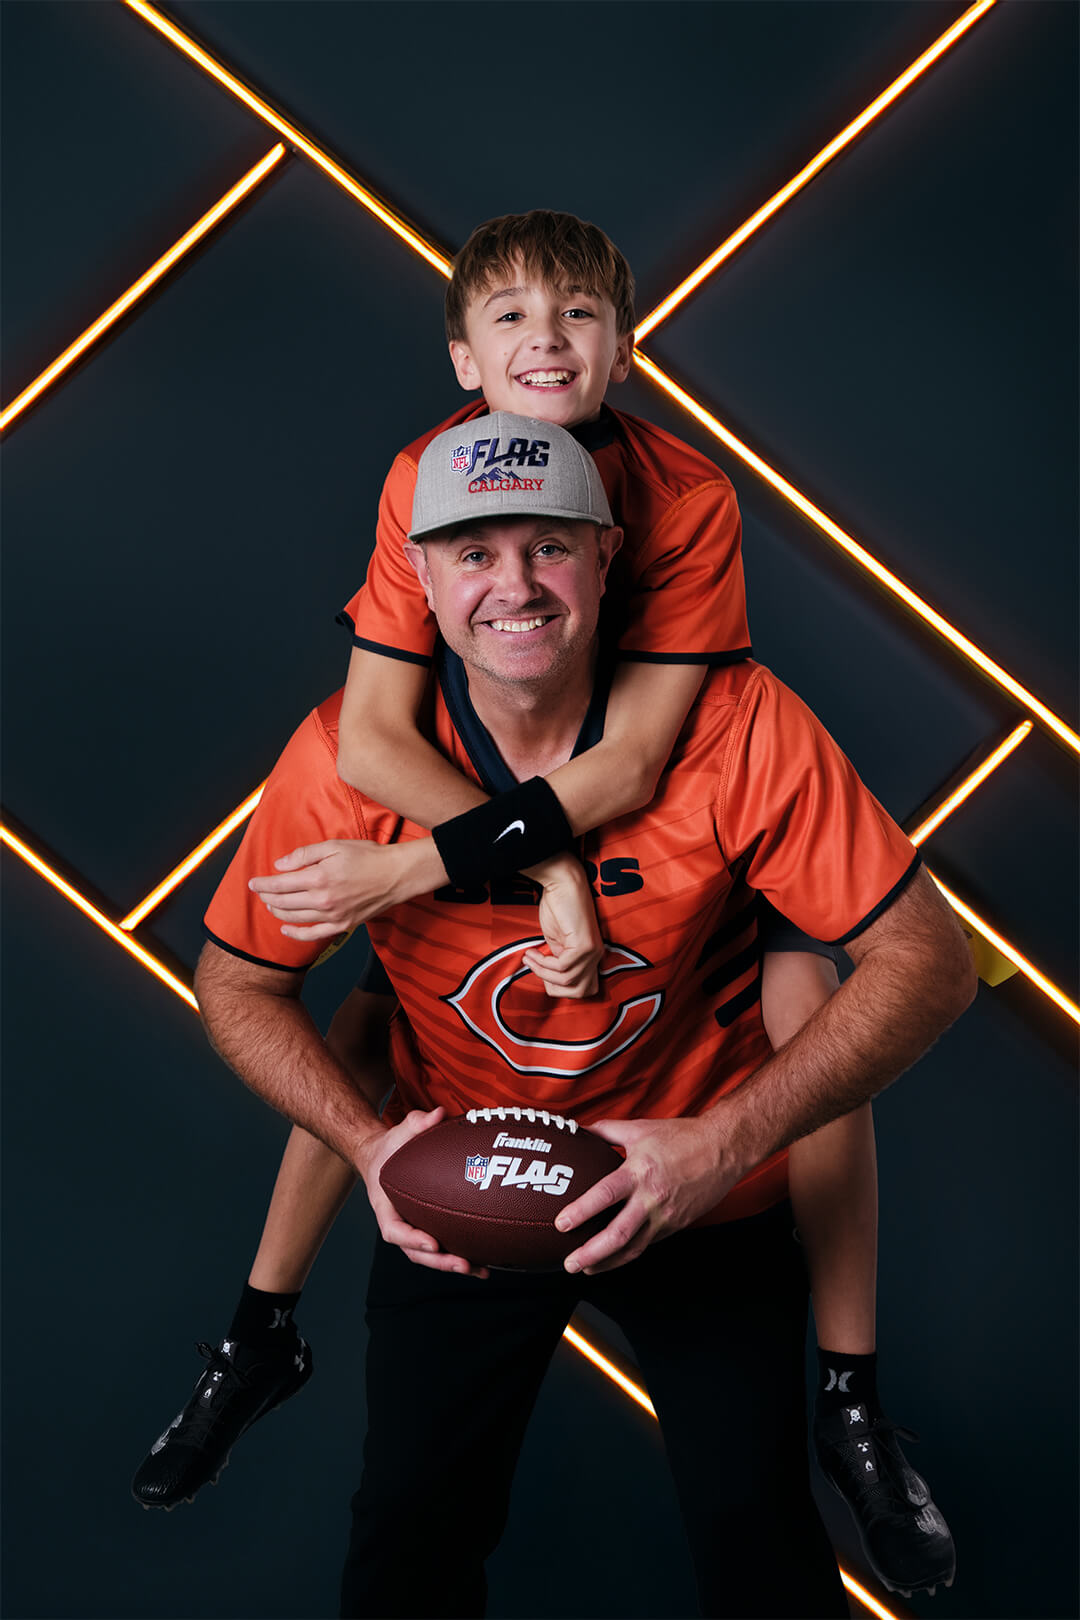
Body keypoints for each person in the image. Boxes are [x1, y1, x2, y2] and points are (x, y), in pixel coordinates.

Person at [133, 212, 956, 1597]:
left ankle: (851, 1394)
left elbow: (908, 949)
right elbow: (238, 974)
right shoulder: (353, 732)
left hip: (684, 1170)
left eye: (549, 549)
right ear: (422, 574)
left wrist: (713, 1143)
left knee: (764, 1555)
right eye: (472, 555)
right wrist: (375, 1145)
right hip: (469, 1173)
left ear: (609, 554)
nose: (512, 583)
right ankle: (257, 1330)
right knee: (403, 1555)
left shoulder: (721, 681)